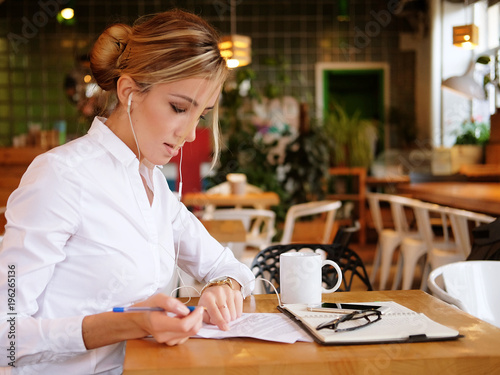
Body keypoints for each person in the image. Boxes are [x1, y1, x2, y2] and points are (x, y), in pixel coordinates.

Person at [0, 9, 255, 375]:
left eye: (200, 116)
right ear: (129, 92)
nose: (188, 133)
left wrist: (224, 286)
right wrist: (130, 323)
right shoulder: (61, 176)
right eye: (178, 108)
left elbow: (226, 266)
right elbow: (5, 332)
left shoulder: (153, 186)